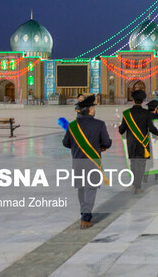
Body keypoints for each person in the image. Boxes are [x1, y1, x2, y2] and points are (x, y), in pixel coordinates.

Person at [62, 94, 112, 229]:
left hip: (78, 161)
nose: (95, 110)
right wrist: (101, 146)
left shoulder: (72, 125)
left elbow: (66, 143)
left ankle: (84, 212)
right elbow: (107, 142)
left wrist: (77, 146)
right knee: (90, 189)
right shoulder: (99, 124)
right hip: (93, 162)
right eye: (93, 108)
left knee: (82, 189)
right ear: (90, 109)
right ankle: (86, 216)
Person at [118, 90, 158, 194]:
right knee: (141, 165)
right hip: (143, 144)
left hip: (131, 143)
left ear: (133, 100)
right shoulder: (146, 113)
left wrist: (121, 128)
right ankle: (138, 186)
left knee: (133, 164)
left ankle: (134, 184)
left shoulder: (127, 114)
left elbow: (121, 129)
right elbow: (151, 128)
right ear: (142, 101)